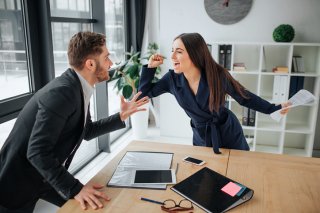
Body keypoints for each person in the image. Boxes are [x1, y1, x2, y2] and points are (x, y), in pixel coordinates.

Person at [0, 31, 149, 212]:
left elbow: (86, 131)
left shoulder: (78, 87)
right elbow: (37, 152)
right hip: (15, 184)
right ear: (90, 64)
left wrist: (121, 116)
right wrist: (76, 189)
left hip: (42, 175)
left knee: (92, 206)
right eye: (107, 57)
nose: (111, 63)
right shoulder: (63, 93)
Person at [139, 32, 290, 154]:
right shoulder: (171, 79)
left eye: (178, 52)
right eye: (172, 51)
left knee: (236, 172)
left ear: (194, 54)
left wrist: (273, 109)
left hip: (227, 132)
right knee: (208, 173)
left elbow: (244, 97)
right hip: (201, 135)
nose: (172, 57)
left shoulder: (217, 75)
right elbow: (144, 94)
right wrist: (150, 67)